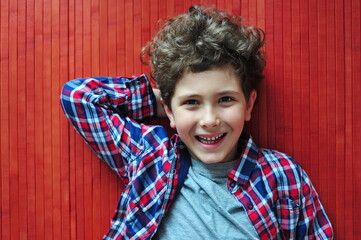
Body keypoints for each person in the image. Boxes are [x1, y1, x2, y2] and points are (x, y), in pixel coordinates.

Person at [60, 5, 334, 240]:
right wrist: (168, 104)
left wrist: (182, 105)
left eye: (225, 99)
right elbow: (79, 97)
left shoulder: (282, 175)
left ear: (249, 104)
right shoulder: (150, 158)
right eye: (193, 102)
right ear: (169, 110)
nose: (210, 120)